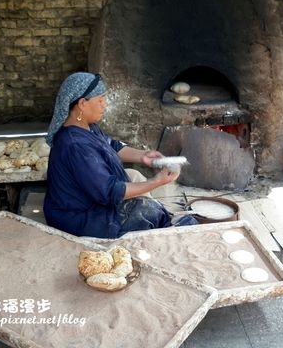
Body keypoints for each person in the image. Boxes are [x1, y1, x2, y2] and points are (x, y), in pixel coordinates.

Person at [43, 72, 197, 238]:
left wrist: (143, 156)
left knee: (135, 178)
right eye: (101, 100)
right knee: (148, 211)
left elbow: (112, 146)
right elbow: (109, 191)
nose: (105, 105)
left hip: (89, 197)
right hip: (77, 216)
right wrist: (157, 181)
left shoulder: (86, 126)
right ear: (82, 104)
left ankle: (163, 225)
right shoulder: (75, 145)